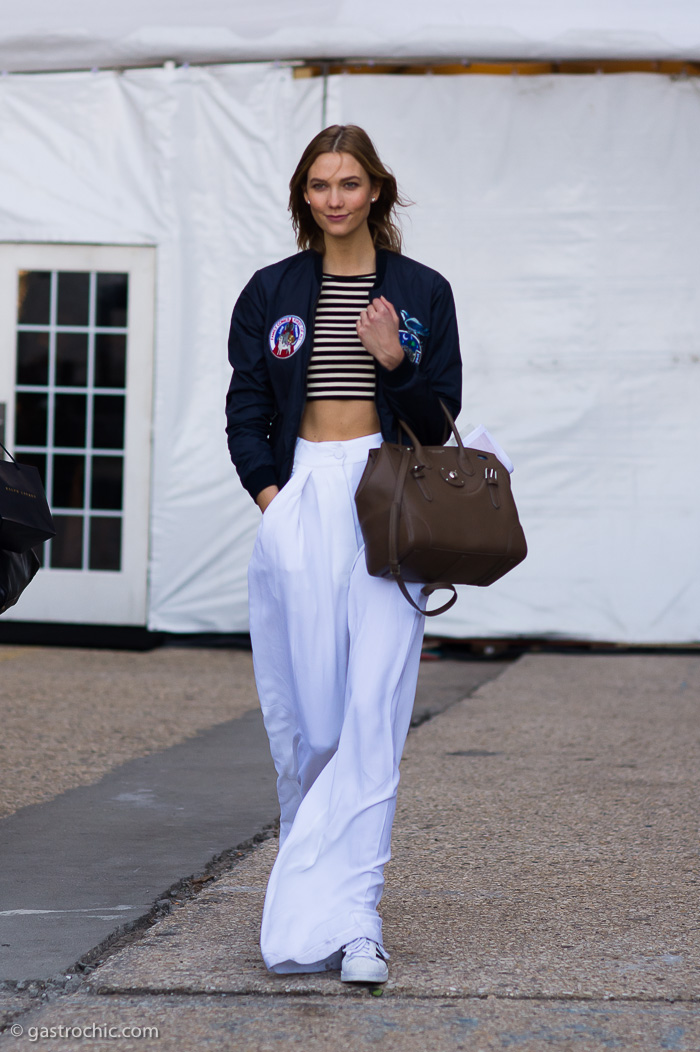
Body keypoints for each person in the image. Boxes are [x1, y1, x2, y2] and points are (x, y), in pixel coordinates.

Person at [225, 124, 462, 984]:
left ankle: (358, 915)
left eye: (350, 184)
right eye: (320, 185)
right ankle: (308, 897)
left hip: (389, 498)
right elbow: (245, 404)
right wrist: (272, 498)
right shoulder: (272, 290)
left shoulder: (422, 290)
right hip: (300, 498)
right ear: (303, 197)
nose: (334, 199)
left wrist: (395, 360)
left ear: (377, 193)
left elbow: (440, 425)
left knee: (373, 714)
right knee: (314, 722)